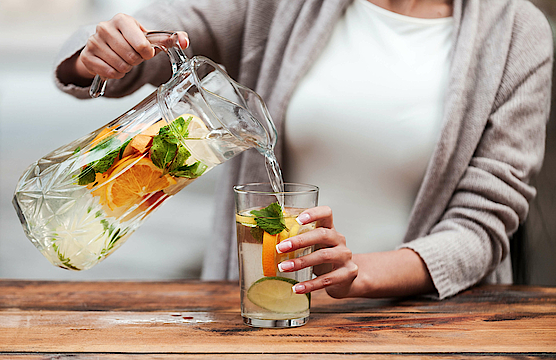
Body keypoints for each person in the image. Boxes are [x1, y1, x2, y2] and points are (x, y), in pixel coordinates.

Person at [54, 0, 553, 300]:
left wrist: (359, 274)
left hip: (429, 328)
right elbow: (175, 26)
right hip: (263, 316)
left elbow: (483, 225)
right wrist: (106, 51)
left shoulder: (517, 33)